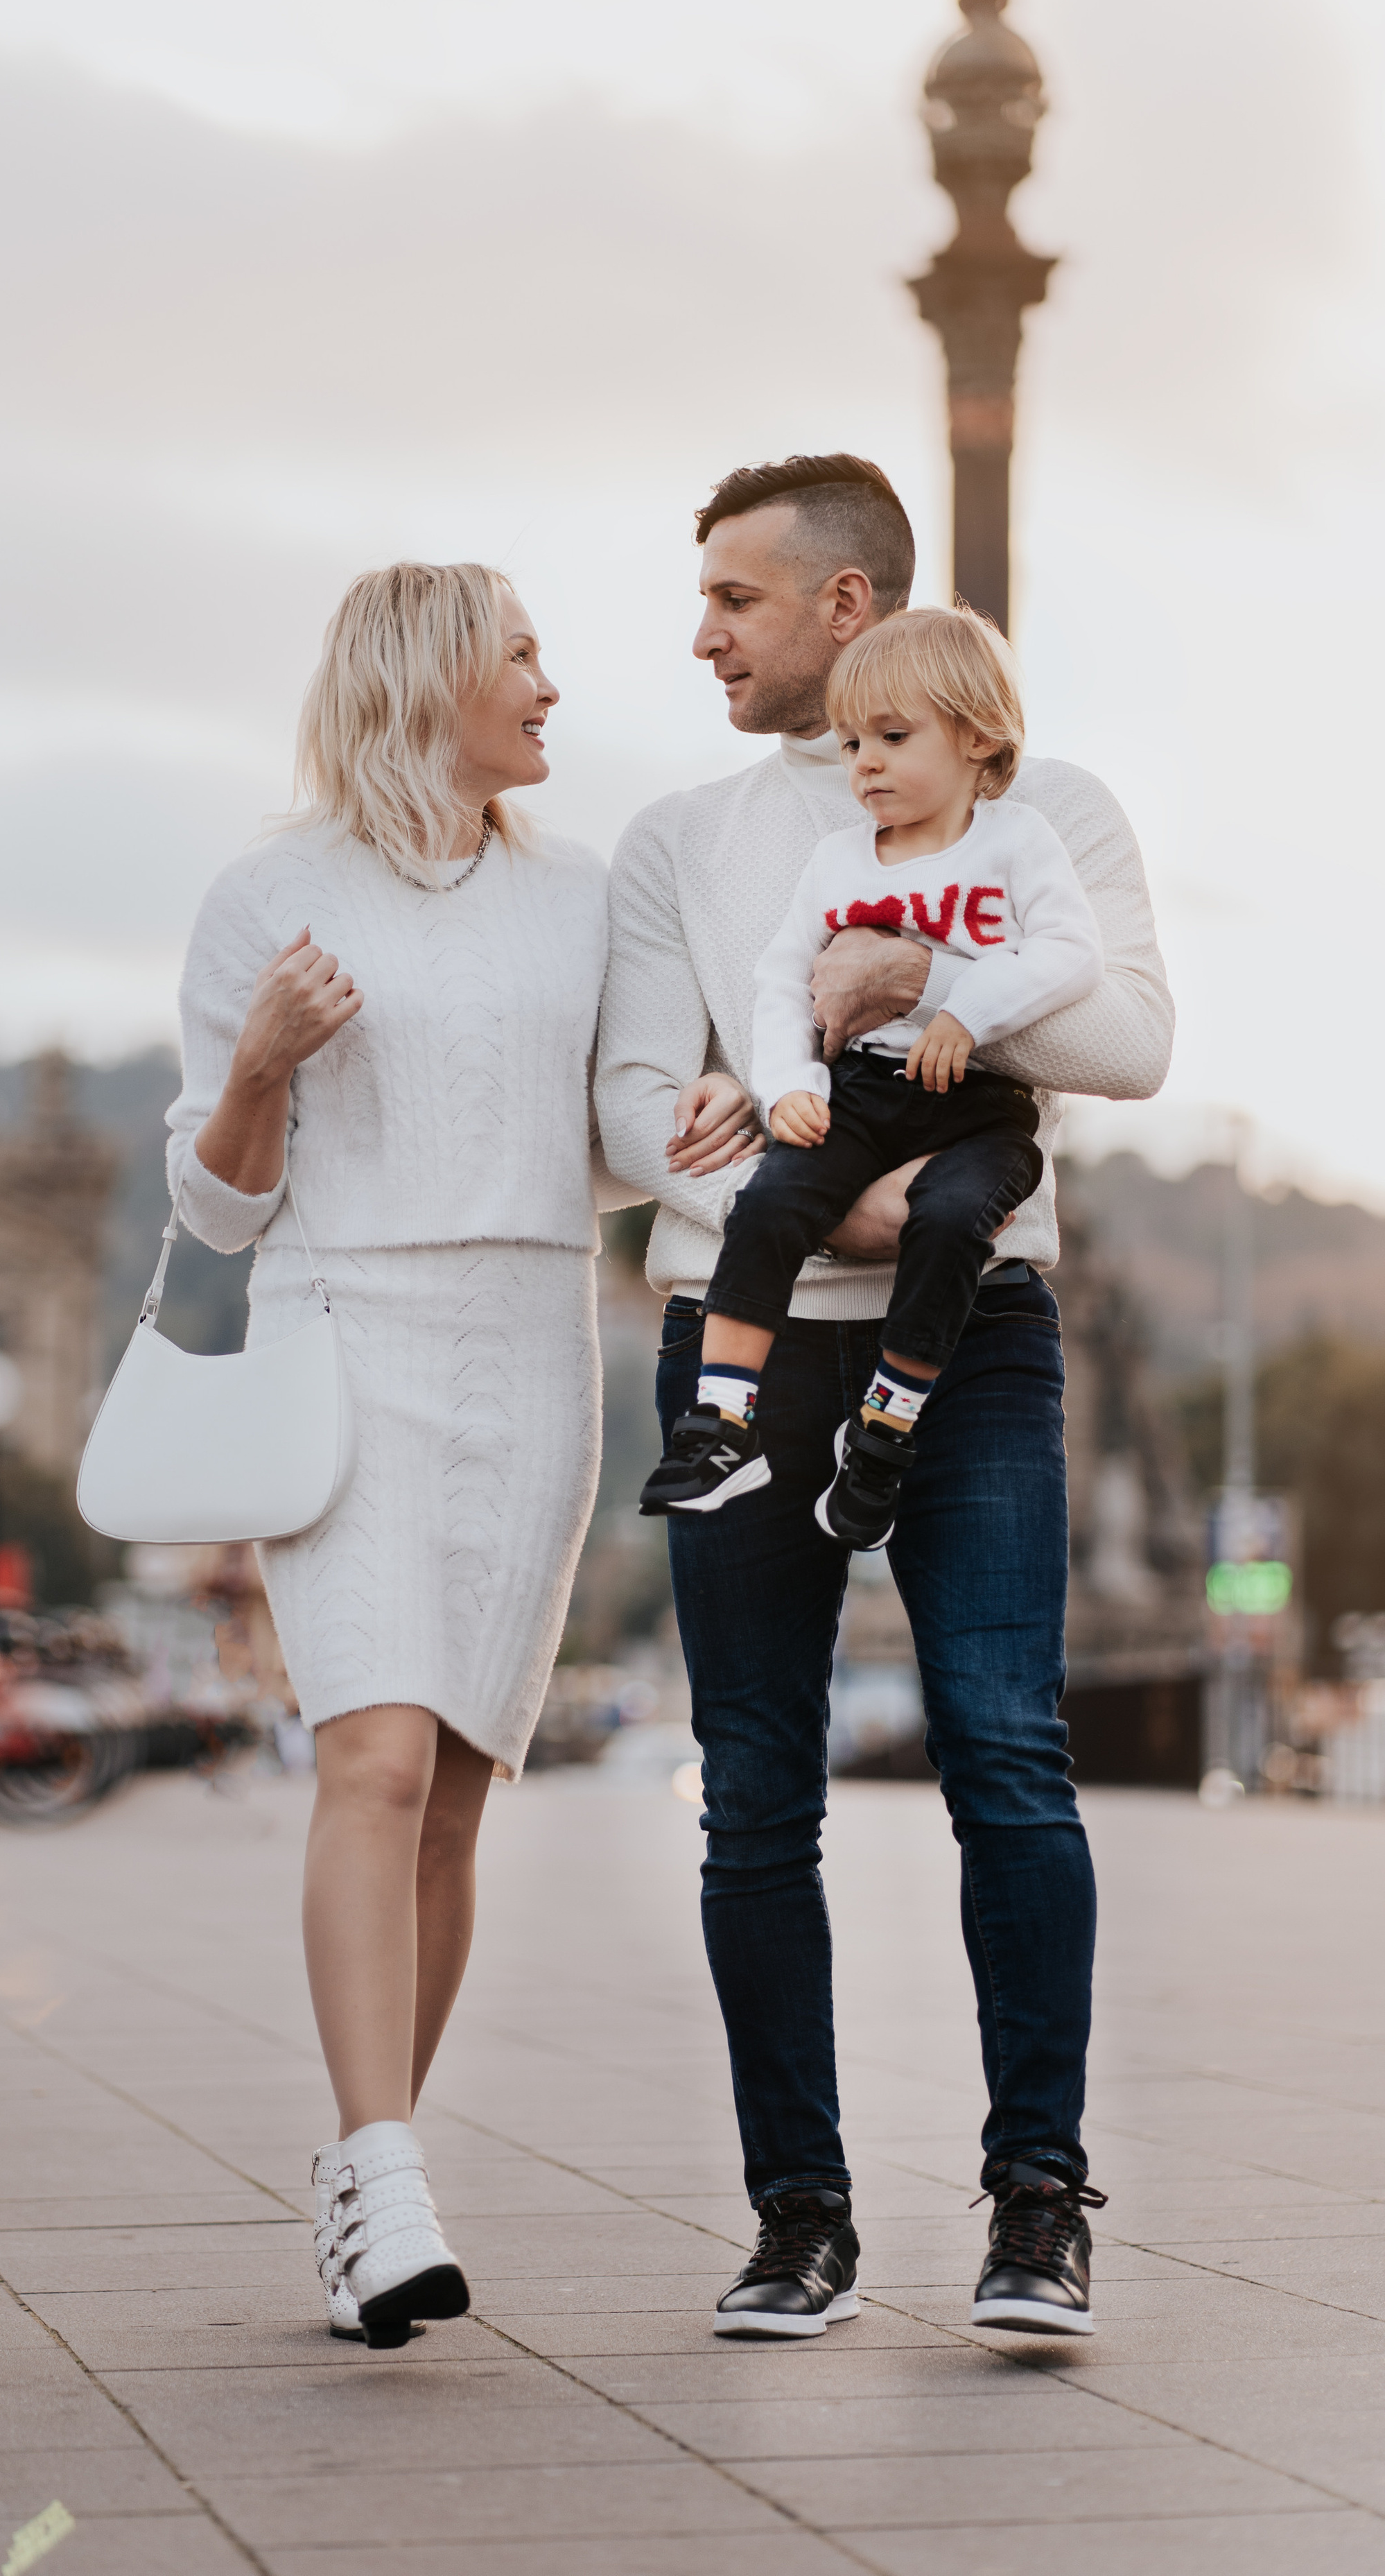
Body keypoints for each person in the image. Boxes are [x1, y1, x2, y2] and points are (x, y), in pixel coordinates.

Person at [596, 454, 1171, 2340]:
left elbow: (1138, 1040)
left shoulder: (1047, 804)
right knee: (753, 1786)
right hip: (743, 1339)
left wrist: (917, 972)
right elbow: (627, 1105)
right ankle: (800, 2218)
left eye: (736, 602)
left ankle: (1038, 2202)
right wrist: (819, 1175)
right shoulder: (682, 839)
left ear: (847, 609)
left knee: (1006, 1746)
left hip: (976, 1325)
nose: (704, 636)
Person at [164, 562, 676, 2351]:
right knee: (369, 1760)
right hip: (344, 1327)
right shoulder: (267, 897)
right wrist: (258, 1061)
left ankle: (361, 2167)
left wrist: (686, 1123)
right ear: (427, 678)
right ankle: (384, 2183)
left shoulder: (585, 897)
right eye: (521, 655)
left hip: (530, 1338)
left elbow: (601, 1142)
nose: (551, 684)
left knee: (455, 1793)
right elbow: (214, 1200)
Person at [639, 605, 1103, 1548]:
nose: (867, 764)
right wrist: (788, 1085)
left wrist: (963, 1006)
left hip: (980, 1110)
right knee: (772, 1199)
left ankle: (886, 1428)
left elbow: (1071, 955)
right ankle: (722, 1420)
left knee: (951, 1221)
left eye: (894, 738)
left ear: (978, 737)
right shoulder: (839, 860)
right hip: (860, 1089)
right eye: (853, 744)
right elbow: (783, 979)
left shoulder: (1017, 842)